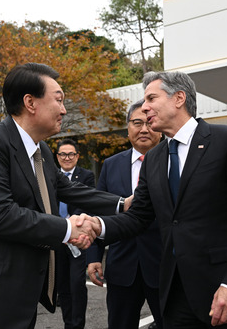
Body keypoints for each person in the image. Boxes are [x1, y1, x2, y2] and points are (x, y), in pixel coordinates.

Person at [0, 63, 124, 329]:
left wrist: (122, 203)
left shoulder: (40, 149)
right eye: (59, 100)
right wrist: (68, 228)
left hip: (17, 294)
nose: (64, 110)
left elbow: (66, 188)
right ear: (30, 102)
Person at [83, 71, 227, 328]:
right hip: (175, 296)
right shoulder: (154, 158)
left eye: (151, 98)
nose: (145, 107)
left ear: (179, 98)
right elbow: (138, 217)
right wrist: (98, 226)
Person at [87, 99, 163, 329]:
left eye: (149, 123)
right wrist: (93, 258)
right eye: (137, 123)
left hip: (164, 265)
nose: (143, 129)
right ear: (128, 127)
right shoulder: (111, 165)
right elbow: (99, 211)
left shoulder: (174, 160)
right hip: (122, 265)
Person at [55, 138, 95, 329]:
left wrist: (72, 225)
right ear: (57, 157)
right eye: (63, 154)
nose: (67, 158)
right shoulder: (51, 176)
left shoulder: (86, 176)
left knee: (77, 283)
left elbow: (86, 201)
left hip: (78, 237)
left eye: (71, 154)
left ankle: (77, 325)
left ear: (77, 156)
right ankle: (68, 323)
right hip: (57, 237)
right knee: (62, 284)